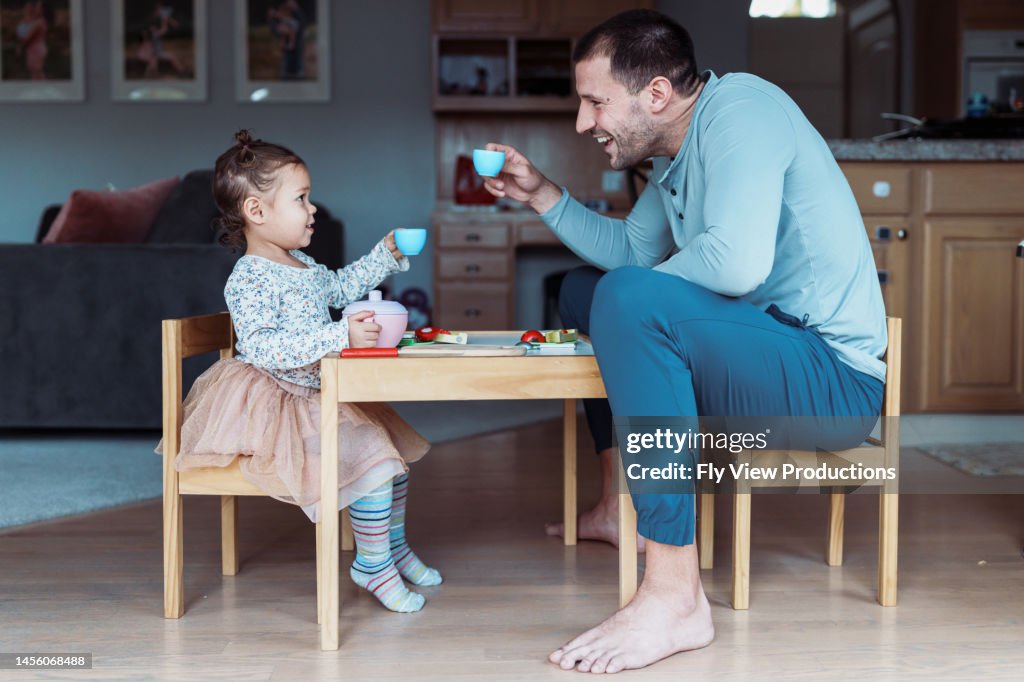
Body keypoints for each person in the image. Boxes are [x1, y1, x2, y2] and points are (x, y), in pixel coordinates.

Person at [483, 9, 886, 674]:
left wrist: (633, 308)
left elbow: (735, 265)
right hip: (765, 354)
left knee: (627, 300)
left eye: (594, 102)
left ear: (658, 95)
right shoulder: (676, 155)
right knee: (593, 289)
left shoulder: (743, 109)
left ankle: (674, 593)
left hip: (833, 381)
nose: (584, 124)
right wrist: (542, 195)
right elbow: (629, 251)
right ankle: (619, 506)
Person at [167, 130, 442, 613]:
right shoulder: (250, 276)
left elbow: (339, 288)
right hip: (277, 402)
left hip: (318, 392)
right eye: (301, 199)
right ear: (257, 212)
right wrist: (340, 337)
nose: (313, 208)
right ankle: (371, 565)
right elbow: (266, 347)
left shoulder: (302, 264)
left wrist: (386, 254)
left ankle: (391, 549)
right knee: (374, 462)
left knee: (394, 464)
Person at [16, 0, 49, 81]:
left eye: (38, 7)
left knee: (36, 72)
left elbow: (28, 37)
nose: (36, 8)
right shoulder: (37, 21)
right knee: (34, 72)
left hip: (36, 49)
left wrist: (20, 47)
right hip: (33, 49)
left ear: (42, 9)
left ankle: (42, 89)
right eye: (36, 6)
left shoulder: (39, 22)